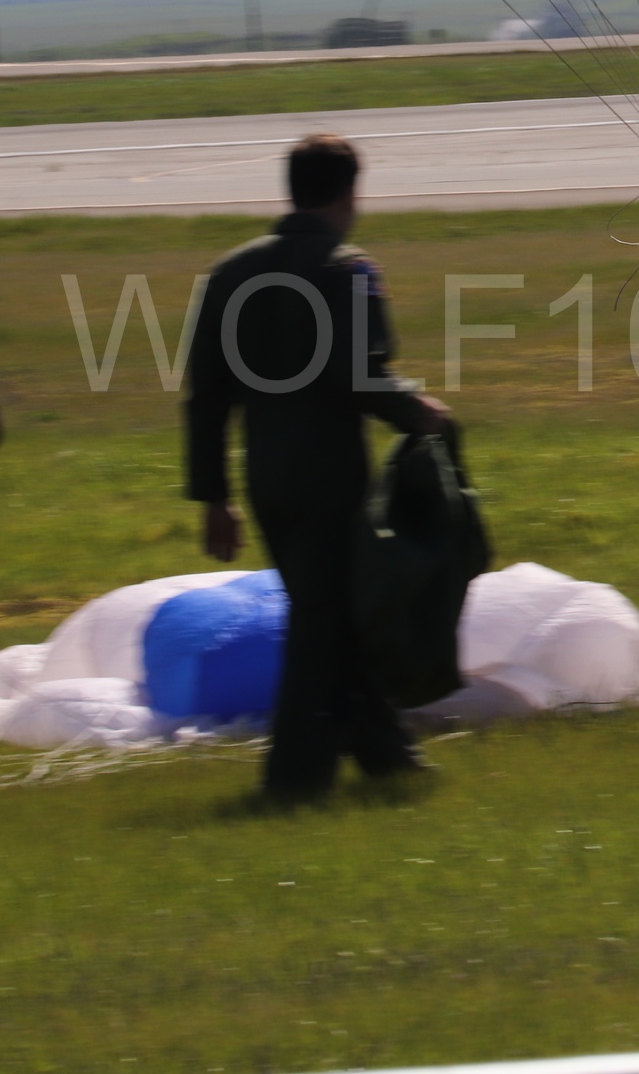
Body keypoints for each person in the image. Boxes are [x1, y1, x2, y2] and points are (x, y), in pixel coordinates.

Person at [183, 133, 450, 800]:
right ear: (349, 191)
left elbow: (206, 395)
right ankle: (293, 780)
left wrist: (214, 496)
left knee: (329, 614)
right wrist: (419, 411)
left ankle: (388, 759)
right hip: (331, 476)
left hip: (266, 479)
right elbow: (358, 376)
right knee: (321, 623)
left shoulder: (231, 272)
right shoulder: (346, 268)